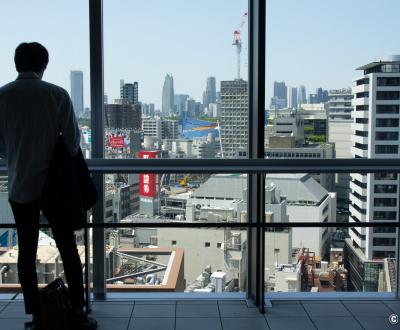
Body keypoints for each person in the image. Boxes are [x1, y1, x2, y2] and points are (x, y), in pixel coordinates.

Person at [0, 42, 97, 330]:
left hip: (20, 184)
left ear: (17, 63)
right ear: (44, 64)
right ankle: (77, 311)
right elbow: (71, 143)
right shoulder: (56, 94)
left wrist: (18, 154)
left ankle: (36, 314)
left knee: (26, 252)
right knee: (68, 248)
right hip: (56, 187)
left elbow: (1, 147)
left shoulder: (2, 97)